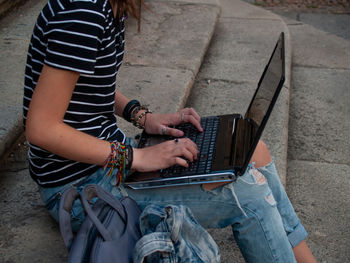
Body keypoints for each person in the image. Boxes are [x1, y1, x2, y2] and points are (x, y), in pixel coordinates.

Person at [23, 0, 317, 262]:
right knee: (250, 195)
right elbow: (41, 128)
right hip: (81, 187)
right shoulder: (83, 11)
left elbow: (87, 82)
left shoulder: (108, 6)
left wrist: (141, 116)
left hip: (105, 159)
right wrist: (136, 158)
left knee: (255, 149)